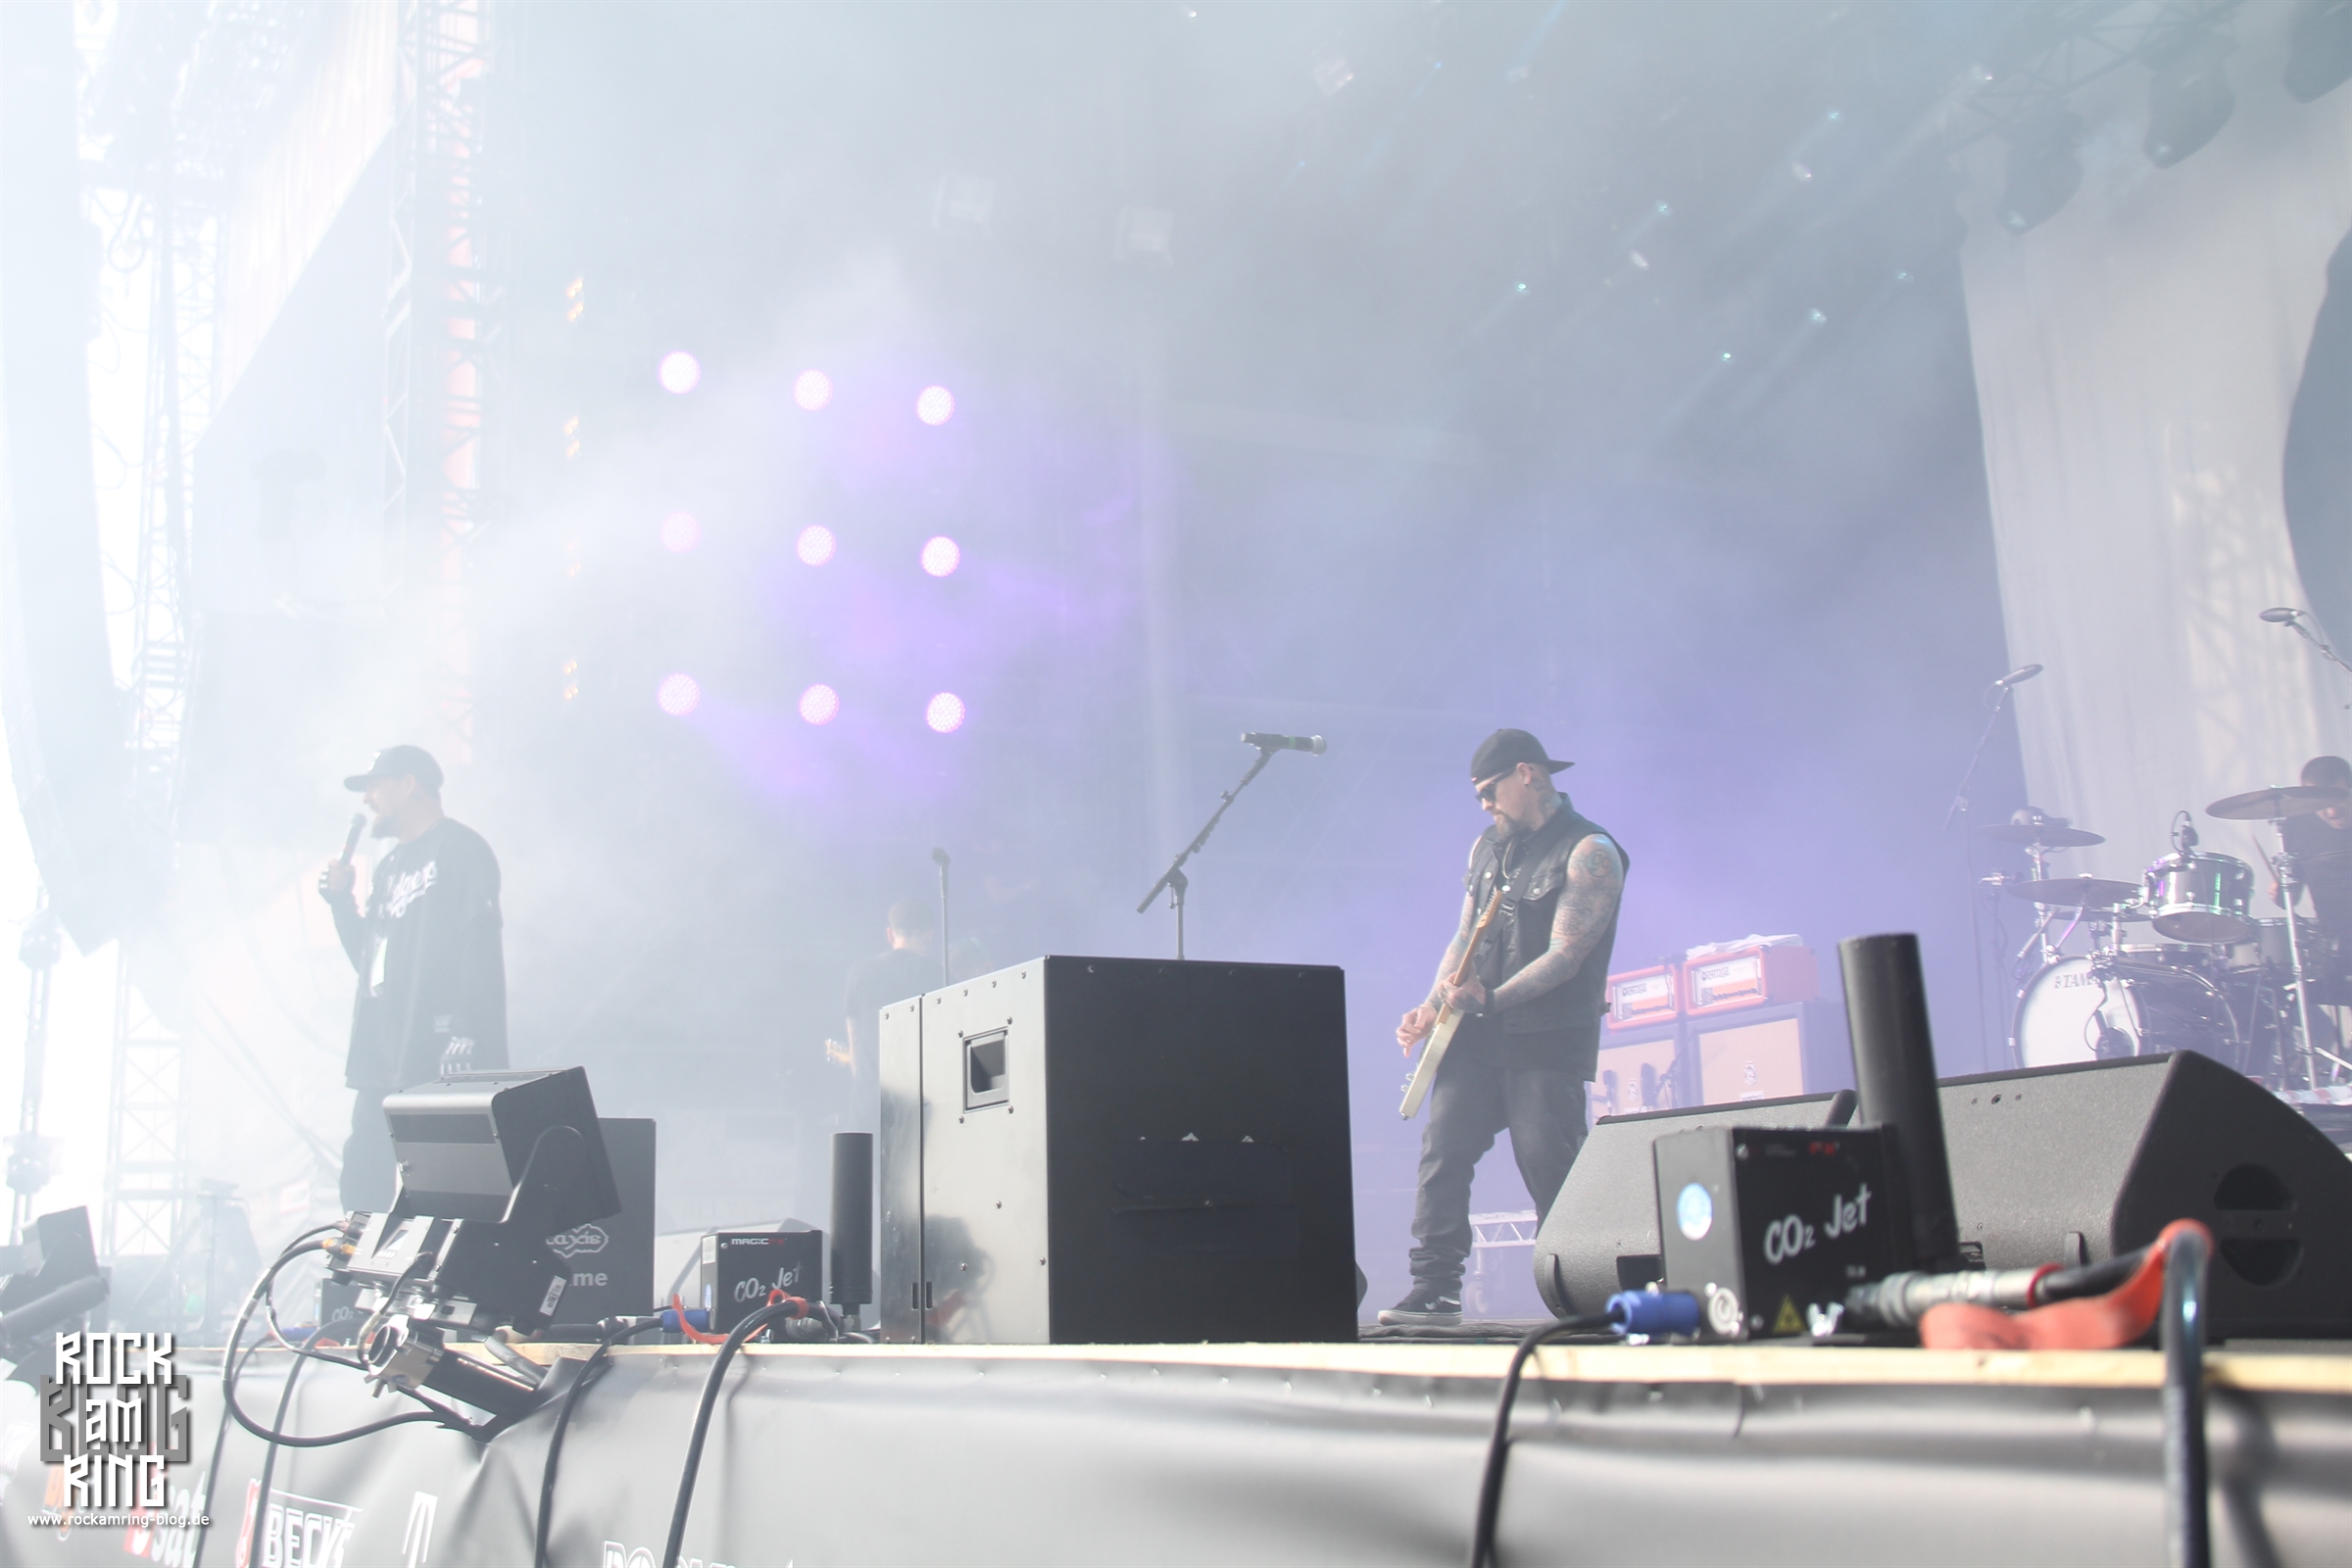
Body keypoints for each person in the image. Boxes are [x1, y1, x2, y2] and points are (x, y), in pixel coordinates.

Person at [1381, 728, 1627, 1327]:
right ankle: (1435, 1289)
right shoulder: (1487, 848)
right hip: (1475, 1035)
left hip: (1546, 1039)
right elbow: (1465, 935)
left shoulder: (1590, 850)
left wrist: (1491, 999)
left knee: (1549, 1165)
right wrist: (1432, 1005)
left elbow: (1566, 955)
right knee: (1443, 1152)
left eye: (1490, 791)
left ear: (1528, 774)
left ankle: (1582, 1296)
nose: (1486, 805)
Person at [317, 746, 509, 1211]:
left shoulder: (460, 848)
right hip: (384, 1054)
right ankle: (359, 1254)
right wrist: (342, 904)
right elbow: (372, 965)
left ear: (409, 784)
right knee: (362, 1181)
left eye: (375, 786)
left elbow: (479, 940)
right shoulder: (389, 868)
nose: (368, 800)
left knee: (447, 1185)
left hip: (436, 1049)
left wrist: (467, 1028)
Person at [839, 899, 944, 1128]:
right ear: (929, 935)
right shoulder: (940, 977)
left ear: (890, 934)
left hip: (869, 1104)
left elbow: (854, 1040)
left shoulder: (859, 972)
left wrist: (864, 1084)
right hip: (920, 1106)